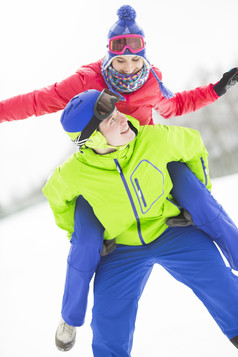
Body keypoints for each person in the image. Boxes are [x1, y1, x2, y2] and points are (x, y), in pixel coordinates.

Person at [1, 4, 238, 350]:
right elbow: (38, 102)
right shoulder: (87, 86)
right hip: (101, 169)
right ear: (108, 58)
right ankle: (70, 318)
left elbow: (177, 109)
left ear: (144, 57)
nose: (129, 67)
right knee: (85, 242)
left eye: (136, 60)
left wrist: (216, 90)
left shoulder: (152, 83)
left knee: (197, 197)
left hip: (148, 158)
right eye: (121, 60)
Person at [43, 89, 238, 356]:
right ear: (94, 138)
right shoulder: (74, 173)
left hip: (172, 229)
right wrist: (76, 230)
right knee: (108, 323)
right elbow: (57, 198)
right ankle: (69, 318)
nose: (122, 119)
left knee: (222, 287)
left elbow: (193, 145)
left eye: (117, 112)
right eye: (110, 120)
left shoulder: (154, 139)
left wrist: (197, 190)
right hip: (121, 250)